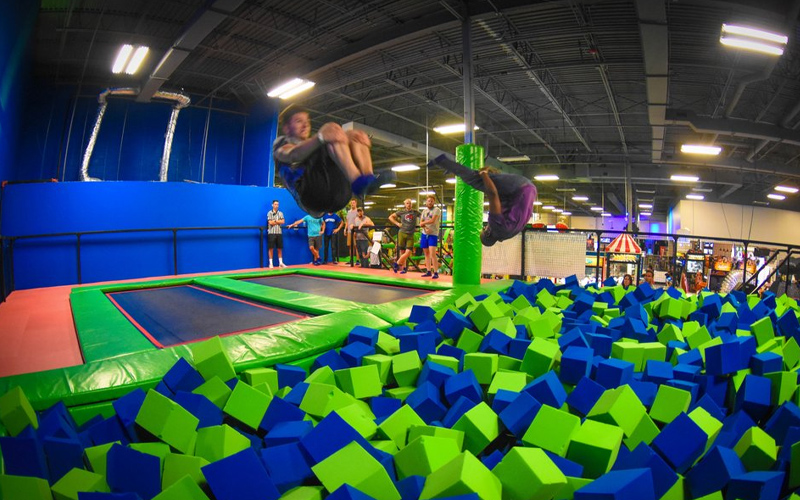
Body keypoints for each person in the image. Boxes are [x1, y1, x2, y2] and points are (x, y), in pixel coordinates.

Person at [272, 106, 379, 219]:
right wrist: (320, 137)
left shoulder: (313, 145)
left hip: (340, 195)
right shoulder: (282, 144)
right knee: (331, 129)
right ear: (287, 128)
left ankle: (367, 179)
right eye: (299, 121)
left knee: (355, 135)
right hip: (313, 196)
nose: (306, 125)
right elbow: (293, 154)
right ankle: (356, 179)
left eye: (307, 121)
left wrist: (346, 137)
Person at [428, 154, 537, 246]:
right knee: (477, 180)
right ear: (488, 233)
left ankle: (455, 169)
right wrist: (484, 174)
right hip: (519, 188)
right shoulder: (496, 226)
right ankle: (443, 161)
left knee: (482, 181)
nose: (485, 226)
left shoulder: (507, 234)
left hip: (527, 191)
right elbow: (493, 194)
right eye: (484, 229)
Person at [389, 198, 420, 274]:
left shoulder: (415, 212)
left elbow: (423, 216)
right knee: (402, 251)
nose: (409, 205)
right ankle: (404, 268)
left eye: (410, 203)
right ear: (405, 204)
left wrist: (423, 224)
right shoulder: (401, 212)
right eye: (407, 203)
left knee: (408, 252)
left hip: (410, 234)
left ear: (412, 204)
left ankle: (397, 263)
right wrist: (397, 223)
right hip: (402, 233)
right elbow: (390, 217)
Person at [419, 195, 441, 279]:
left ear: (434, 202)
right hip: (425, 233)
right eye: (428, 201)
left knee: (432, 253)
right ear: (426, 202)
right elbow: (420, 223)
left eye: (431, 201)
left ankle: (435, 272)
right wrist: (425, 228)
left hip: (433, 234)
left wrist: (424, 224)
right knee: (426, 253)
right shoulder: (424, 211)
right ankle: (428, 271)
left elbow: (432, 221)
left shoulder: (437, 210)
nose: (430, 202)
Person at [266, 200, 287, 268]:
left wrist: (274, 221)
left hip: (279, 232)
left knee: (279, 248)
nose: (276, 206)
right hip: (271, 232)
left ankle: (280, 263)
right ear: (272, 205)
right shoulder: (269, 213)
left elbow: (283, 221)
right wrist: (278, 221)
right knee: (271, 248)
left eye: (277, 204)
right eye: (275, 204)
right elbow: (270, 223)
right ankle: (271, 263)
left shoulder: (281, 213)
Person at [345, 199, 360, 266]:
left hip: (355, 231)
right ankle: (351, 260)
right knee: (350, 246)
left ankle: (357, 260)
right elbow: (347, 221)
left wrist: (356, 231)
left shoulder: (358, 212)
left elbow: (359, 221)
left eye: (353, 203)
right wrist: (345, 229)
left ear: (356, 203)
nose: (352, 204)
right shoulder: (348, 212)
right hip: (349, 231)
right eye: (351, 203)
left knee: (356, 246)